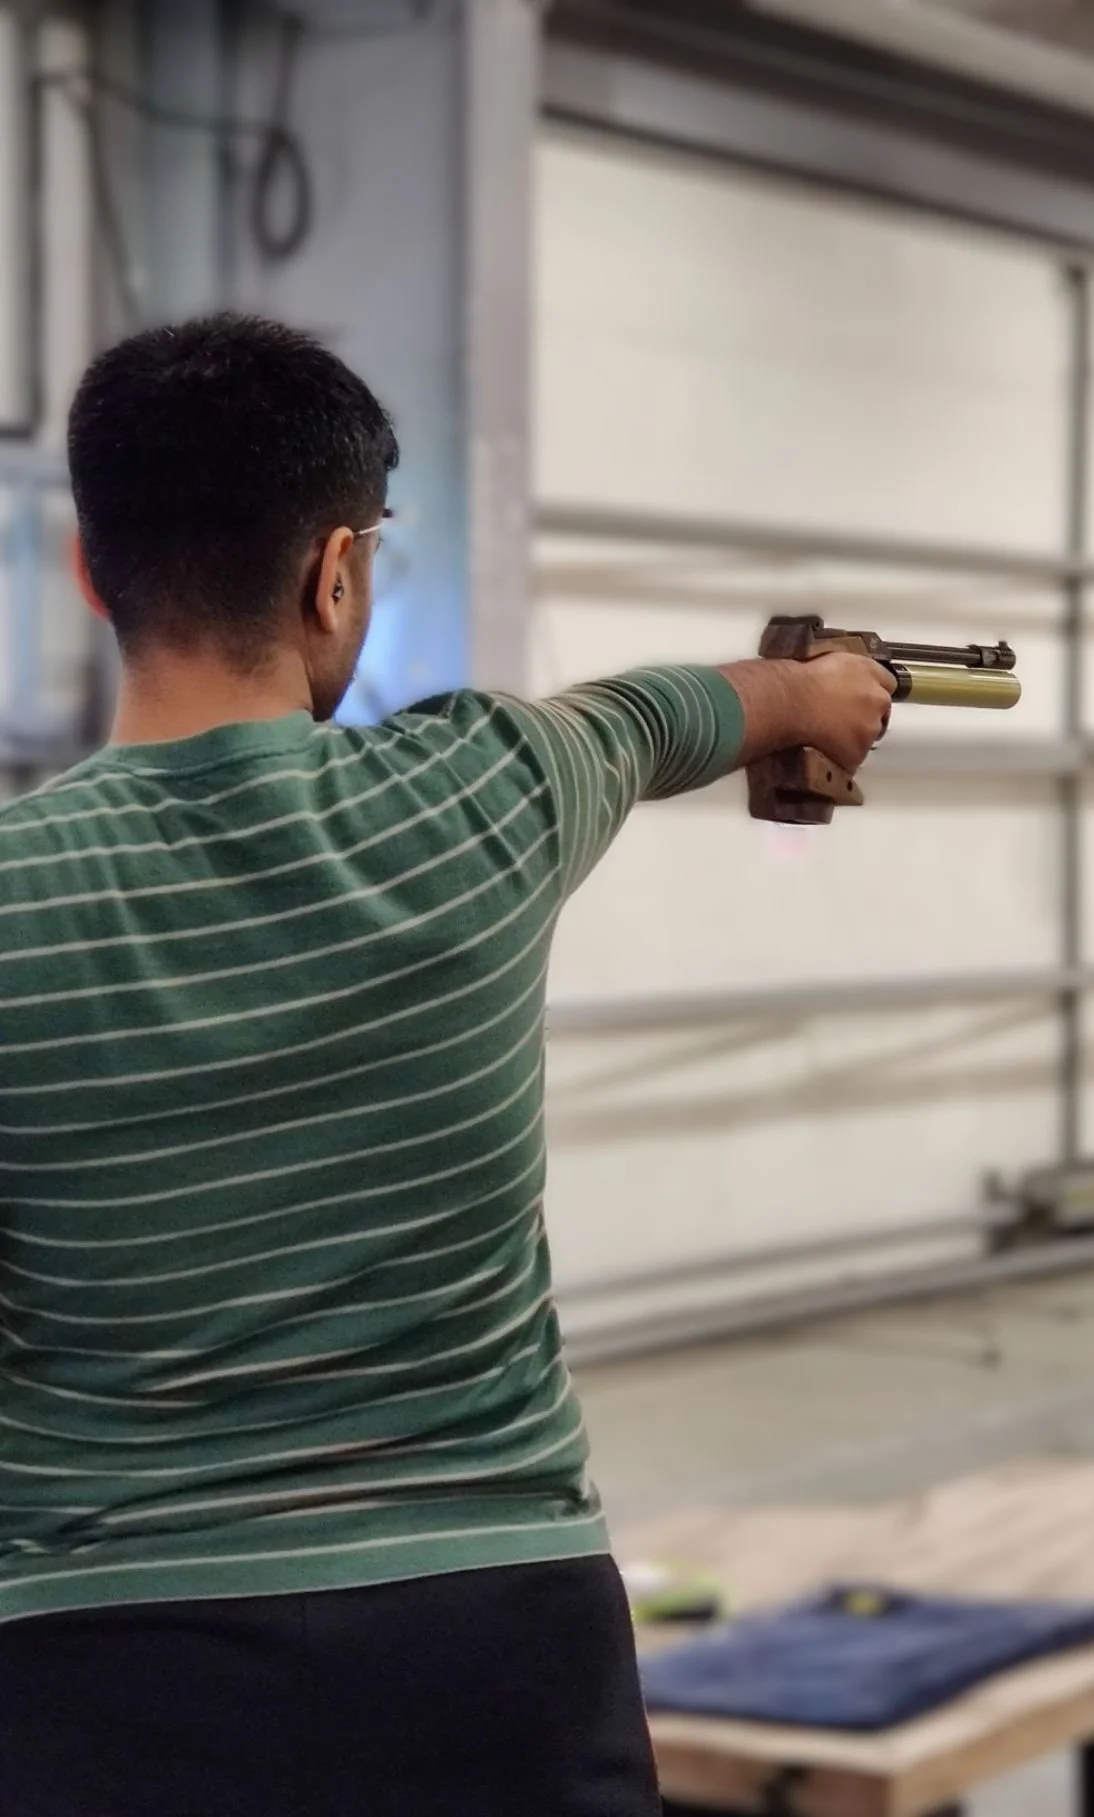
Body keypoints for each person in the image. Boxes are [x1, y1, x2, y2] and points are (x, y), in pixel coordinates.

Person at [0, 313, 895, 1817]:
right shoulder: (488, 791)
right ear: (334, 573)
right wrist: (825, 694)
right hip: (493, 1652)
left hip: (109, 1668)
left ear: (93, 571)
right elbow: (678, 713)